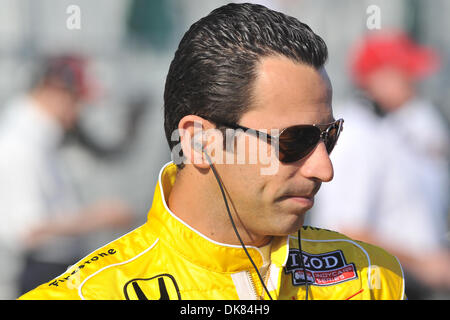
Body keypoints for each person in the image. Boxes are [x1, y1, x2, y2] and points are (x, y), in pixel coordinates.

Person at [19, 3, 405, 300]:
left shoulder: (370, 276)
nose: (324, 168)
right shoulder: (88, 292)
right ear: (199, 142)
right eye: (296, 140)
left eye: (329, 136)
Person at [311, 31, 450, 299]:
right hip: (377, 282)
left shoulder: (399, 123)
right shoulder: (356, 134)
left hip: (410, 280)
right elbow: (347, 230)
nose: (415, 80)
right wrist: (426, 265)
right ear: (376, 77)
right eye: (405, 72)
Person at [0, 55, 134, 298]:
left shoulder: (38, 138)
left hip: (51, 270)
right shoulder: (20, 145)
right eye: (77, 101)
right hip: (41, 273)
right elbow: (29, 229)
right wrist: (100, 217)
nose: (79, 112)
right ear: (54, 91)